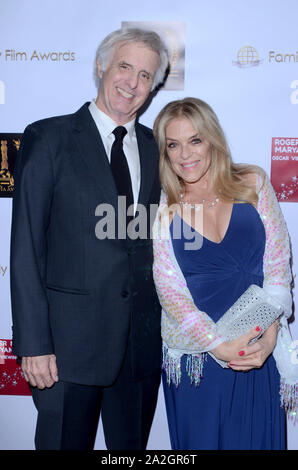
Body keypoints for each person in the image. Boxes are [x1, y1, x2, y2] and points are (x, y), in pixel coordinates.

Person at [10, 28, 169, 450]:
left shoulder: (157, 148)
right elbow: (25, 248)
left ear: (153, 87)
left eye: (145, 76)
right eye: (124, 67)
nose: (132, 83)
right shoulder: (49, 139)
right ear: (100, 66)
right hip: (65, 350)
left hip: (139, 347)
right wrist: (34, 344)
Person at [152, 97, 295, 450]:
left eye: (195, 140)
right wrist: (220, 346)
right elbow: (172, 296)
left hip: (259, 353)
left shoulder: (253, 183)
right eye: (174, 144)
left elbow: (278, 268)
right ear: (165, 152)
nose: (185, 154)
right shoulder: (165, 210)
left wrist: (267, 336)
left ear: (212, 140)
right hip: (200, 365)